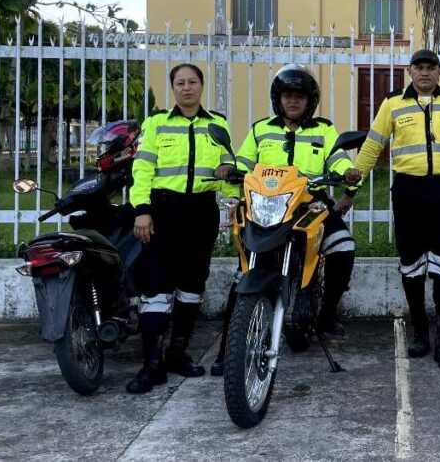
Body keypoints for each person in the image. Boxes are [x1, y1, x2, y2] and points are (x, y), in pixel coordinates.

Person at [344, 49, 440, 371]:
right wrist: (352, 186)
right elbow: (373, 145)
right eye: (419, 67)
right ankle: (420, 333)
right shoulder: (392, 104)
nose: (425, 73)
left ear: (439, 72)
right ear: (410, 71)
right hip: (407, 191)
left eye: (431, 68)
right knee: (411, 265)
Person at [210, 64, 359, 376]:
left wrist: (347, 172)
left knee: (343, 246)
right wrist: (228, 171)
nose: (293, 101)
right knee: (242, 275)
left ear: (310, 101)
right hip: (267, 208)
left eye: (299, 96)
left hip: (311, 206)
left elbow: (339, 157)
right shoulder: (260, 129)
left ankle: (328, 313)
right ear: (277, 99)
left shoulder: (324, 130)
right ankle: (227, 352)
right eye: (287, 95)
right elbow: (241, 160)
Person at [128, 63, 235, 394]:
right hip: (163, 211)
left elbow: (229, 167)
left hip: (201, 212)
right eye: (180, 83)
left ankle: (177, 354)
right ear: (172, 88)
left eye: (192, 82)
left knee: (192, 285)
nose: (186, 88)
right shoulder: (157, 123)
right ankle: (152, 365)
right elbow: (142, 168)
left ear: (201, 86)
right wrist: (142, 211)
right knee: (157, 288)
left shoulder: (217, 123)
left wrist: (232, 201)